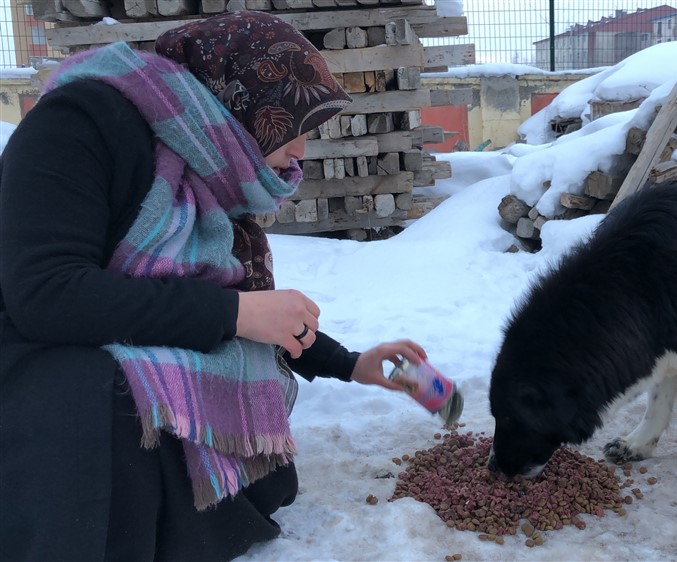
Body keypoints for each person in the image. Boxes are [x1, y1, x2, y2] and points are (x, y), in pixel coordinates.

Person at [0, 11, 426, 561]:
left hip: (114, 342)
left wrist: (348, 363)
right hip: (35, 361)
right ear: (244, 102)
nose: (301, 151)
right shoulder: (79, 124)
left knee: (261, 467)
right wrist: (233, 315)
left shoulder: (205, 165)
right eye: (295, 126)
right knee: (112, 400)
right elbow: (46, 295)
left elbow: (230, 300)